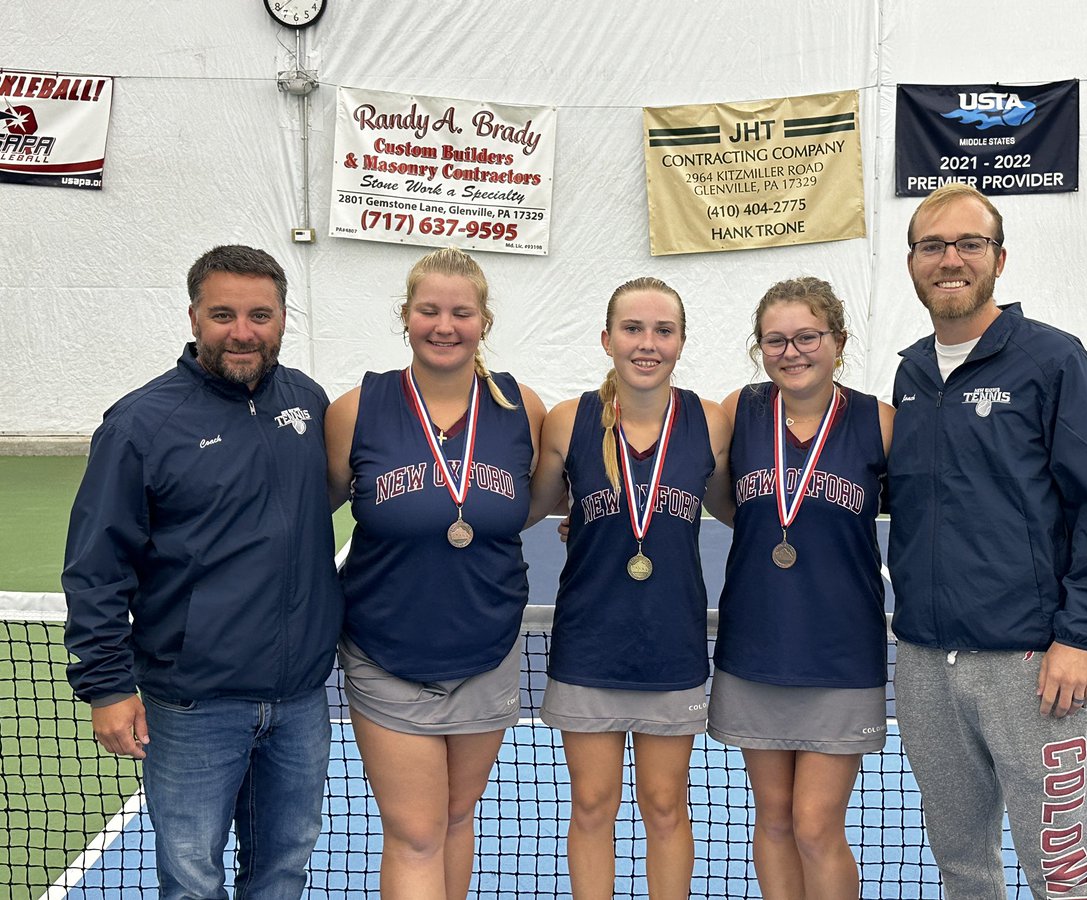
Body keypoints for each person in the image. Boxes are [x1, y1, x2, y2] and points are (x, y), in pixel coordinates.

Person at [62, 245, 344, 899]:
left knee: (283, 869)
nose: (243, 331)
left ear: (281, 319)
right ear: (194, 316)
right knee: (192, 880)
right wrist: (106, 687)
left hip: (300, 700)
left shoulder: (306, 401)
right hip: (192, 706)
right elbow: (96, 569)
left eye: (259, 315)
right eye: (223, 314)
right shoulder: (139, 426)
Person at [887, 183, 1087, 899]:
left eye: (969, 243)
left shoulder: (1055, 362)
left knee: (1061, 873)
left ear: (999, 258)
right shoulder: (911, 373)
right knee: (962, 866)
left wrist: (1080, 635)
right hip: (926, 664)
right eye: (933, 245)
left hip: (1031, 664)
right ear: (913, 262)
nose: (951, 259)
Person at [325, 247, 545, 900]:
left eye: (460, 312)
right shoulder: (356, 408)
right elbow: (308, 513)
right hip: (386, 649)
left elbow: (538, 500)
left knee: (454, 817)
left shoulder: (522, 407)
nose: (444, 325)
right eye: (429, 310)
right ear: (406, 316)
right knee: (416, 830)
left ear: (484, 321)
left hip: (487, 646)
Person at [527, 277, 731, 900]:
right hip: (589, 643)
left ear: (682, 341)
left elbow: (739, 508)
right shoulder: (569, 421)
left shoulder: (711, 421)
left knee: (666, 806)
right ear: (607, 339)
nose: (648, 344)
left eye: (662, 331)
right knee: (591, 806)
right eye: (633, 329)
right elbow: (526, 508)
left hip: (671, 645)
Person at [707, 277, 892, 899]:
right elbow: (694, 486)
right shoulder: (741, 410)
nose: (792, 352)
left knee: (816, 825)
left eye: (807, 337)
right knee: (776, 819)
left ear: (838, 340)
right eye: (775, 340)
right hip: (756, 643)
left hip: (841, 650)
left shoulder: (878, 421)